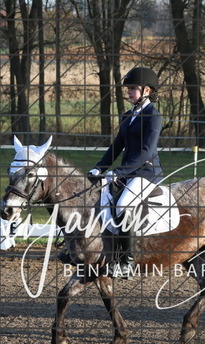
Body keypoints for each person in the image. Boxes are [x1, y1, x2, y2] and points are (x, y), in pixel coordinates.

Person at [60, 67, 163, 278]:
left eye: (133, 88)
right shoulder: (128, 115)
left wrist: (118, 172)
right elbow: (116, 147)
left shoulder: (153, 117)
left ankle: (127, 262)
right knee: (97, 200)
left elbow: (145, 152)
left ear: (146, 90)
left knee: (123, 204)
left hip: (146, 173)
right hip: (126, 173)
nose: (128, 91)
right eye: (128, 88)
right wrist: (99, 168)